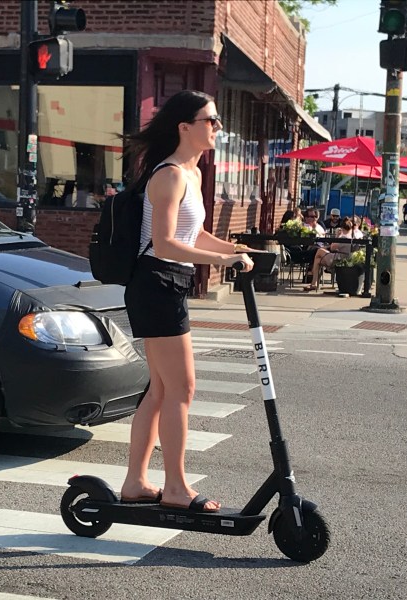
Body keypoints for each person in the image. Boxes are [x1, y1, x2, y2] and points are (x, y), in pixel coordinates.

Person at [120, 90, 254, 513]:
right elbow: (163, 243)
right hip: (155, 282)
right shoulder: (170, 175)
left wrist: (232, 248)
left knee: (160, 390)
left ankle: (136, 483)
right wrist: (220, 259)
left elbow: (193, 236)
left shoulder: (191, 175)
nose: (217, 128)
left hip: (168, 283)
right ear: (185, 127)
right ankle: (176, 487)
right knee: (181, 388)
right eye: (210, 120)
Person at [304, 217, 363, 291]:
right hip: (346, 257)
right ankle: (314, 283)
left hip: (339, 259)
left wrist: (337, 236)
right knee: (318, 260)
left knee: (319, 251)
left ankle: (313, 278)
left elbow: (332, 247)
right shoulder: (357, 234)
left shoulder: (345, 236)